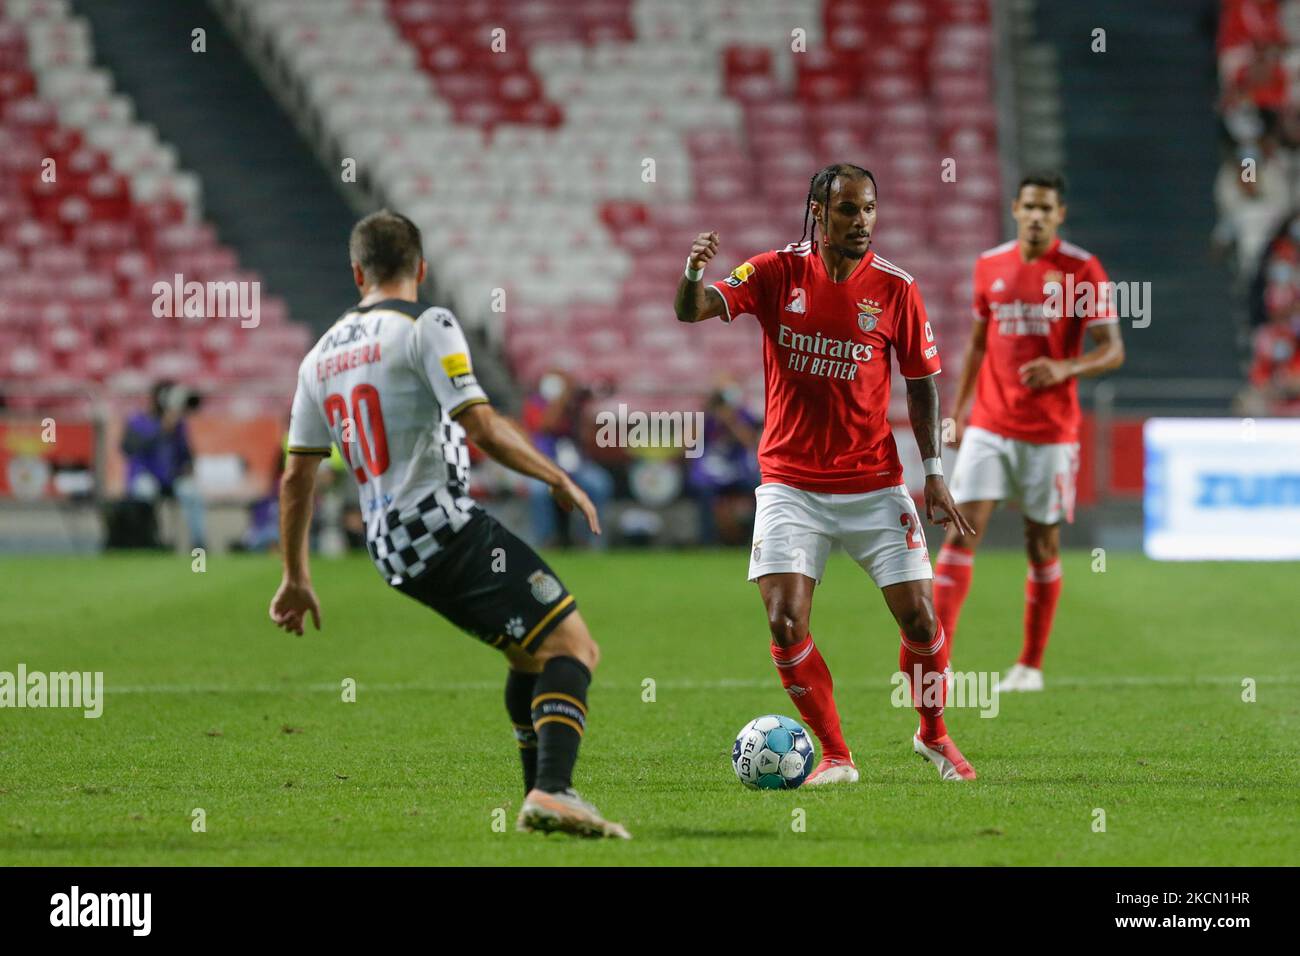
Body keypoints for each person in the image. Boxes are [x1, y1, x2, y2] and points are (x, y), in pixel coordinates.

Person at [269, 210, 628, 838]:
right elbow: (481, 424)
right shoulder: (426, 324)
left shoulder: (318, 357)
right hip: (442, 524)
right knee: (574, 647)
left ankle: (537, 800)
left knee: (528, 654)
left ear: (357, 273)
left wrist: (295, 575)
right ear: (421, 268)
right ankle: (555, 789)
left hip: (388, 544)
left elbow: (296, 477)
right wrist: (556, 476)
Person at [674, 163, 979, 784]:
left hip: (873, 482)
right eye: (847, 210)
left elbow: (923, 389)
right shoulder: (771, 272)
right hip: (790, 482)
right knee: (786, 620)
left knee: (921, 618)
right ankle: (836, 755)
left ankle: (933, 734)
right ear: (818, 212)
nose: (861, 221)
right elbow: (694, 310)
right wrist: (692, 273)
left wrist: (936, 473)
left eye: (868, 209)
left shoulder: (896, 288)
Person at [935, 172, 1125, 692]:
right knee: (960, 532)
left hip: (1050, 431)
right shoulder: (989, 265)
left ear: (1060, 214)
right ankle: (938, 664)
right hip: (990, 425)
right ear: (1016, 208)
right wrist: (958, 410)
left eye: (1048, 209)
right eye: (1030, 207)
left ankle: (1030, 665)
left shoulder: (1081, 269)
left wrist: (1066, 368)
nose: (1037, 216)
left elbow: (1112, 348)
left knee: (1040, 542)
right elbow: (977, 344)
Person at [521, 369, 614, 548]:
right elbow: (546, 425)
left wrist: (579, 405)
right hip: (545, 465)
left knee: (598, 483)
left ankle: (589, 539)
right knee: (539, 491)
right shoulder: (535, 404)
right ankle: (545, 541)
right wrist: (562, 399)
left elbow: (586, 439)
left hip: (576, 466)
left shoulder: (575, 407)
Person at [121, 380, 207, 550]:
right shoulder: (138, 421)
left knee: (192, 492)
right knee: (145, 491)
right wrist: (162, 429)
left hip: (172, 478)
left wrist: (188, 467)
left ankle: (199, 544)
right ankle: (150, 541)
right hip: (145, 475)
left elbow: (186, 455)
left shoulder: (179, 424)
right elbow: (128, 448)